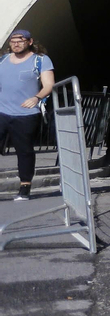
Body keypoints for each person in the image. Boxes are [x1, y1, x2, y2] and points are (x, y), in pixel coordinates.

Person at [1, 29, 54, 201]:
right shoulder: (2, 60)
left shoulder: (40, 60)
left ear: (29, 42)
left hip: (26, 114)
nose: (16, 44)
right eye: (13, 41)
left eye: (20, 40)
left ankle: (25, 186)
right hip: (2, 112)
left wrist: (37, 97)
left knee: (24, 151)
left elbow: (48, 85)